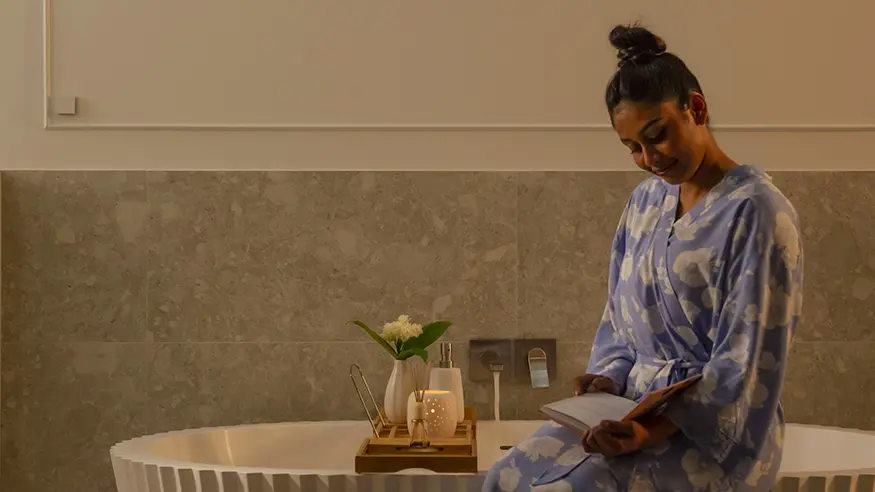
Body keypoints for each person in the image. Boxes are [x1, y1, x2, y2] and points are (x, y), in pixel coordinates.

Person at [482, 24, 803, 492]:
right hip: (628, 412)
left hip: (713, 434)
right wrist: (608, 383)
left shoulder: (758, 213)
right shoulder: (645, 203)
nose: (649, 158)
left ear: (696, 108)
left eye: (658, 136)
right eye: (633, 147)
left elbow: (747, 364)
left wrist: (648, 430)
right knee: (507, 475)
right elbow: (619, 320)